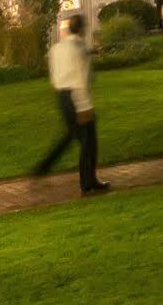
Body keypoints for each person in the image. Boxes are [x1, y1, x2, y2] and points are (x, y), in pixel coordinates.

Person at [32, 15, 108, 194]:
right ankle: (88, 181)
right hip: (77, 97)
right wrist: (84, 107)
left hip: (62, 96)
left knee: (71, 136)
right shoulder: (79, 48)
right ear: (82, 29)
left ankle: (43, 167)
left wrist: (91, 52)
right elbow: (80, 78)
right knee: (89, 141)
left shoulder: (57, 48)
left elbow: (64, 65)